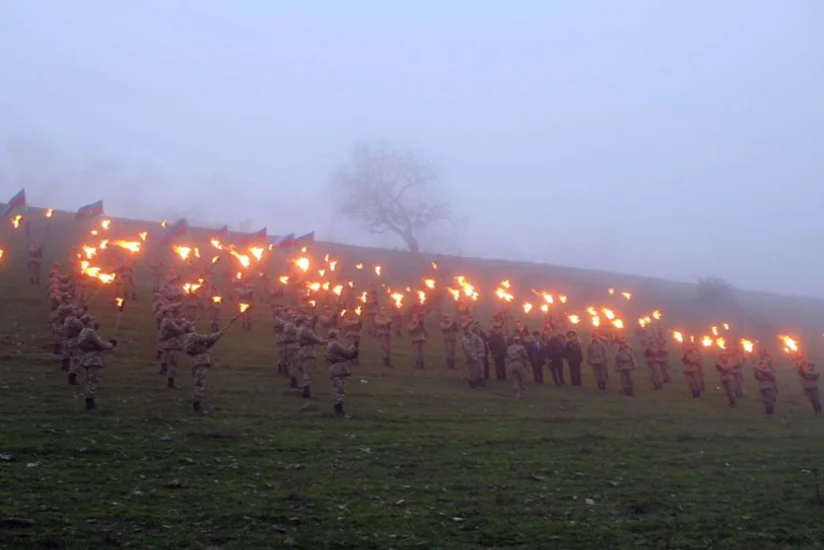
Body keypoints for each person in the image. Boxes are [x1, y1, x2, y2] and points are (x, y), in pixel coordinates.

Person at [184, 325, 226, 416]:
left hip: (197, 361)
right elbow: (208, 337)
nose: (194, 327)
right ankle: (197, 406)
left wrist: (218, 336)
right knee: (199, 384)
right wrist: (218, 333)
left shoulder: (190, 338)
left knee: (199, 383)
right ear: (189, 329)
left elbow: (208, 343)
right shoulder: (193, 336)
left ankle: (197, 403)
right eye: (191, 326)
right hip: (200, 361)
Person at [76, 315, 117, 410]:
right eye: (92, 320)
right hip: (94, 359)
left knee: (87, 381)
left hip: (86, 359)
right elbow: (100, 344)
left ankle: (88, 399)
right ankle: (90, 403)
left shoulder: (83, 331)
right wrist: (111, 344)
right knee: (93, 381)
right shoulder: (90, 332)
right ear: (88, 322)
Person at [325, 328, 358, 417]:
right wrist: (353, 346)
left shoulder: (330, 344)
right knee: (340, 389)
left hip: (334, 367)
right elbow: (346, 353)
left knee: (337, 388)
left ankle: (338, 406)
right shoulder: (335, 344)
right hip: (338, 368)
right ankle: (339, 408)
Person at [296, 315, 328, 398]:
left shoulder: (300, 328)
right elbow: (316, 339)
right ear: (304, 321)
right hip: (308, 351)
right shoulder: (306, 330)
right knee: (308, 372)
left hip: (303, 350)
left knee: (305, 372)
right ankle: (306, 391)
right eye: (307, 320)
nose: (309, 321)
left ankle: (305, 389)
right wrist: (327, 341)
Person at [753, 349, 777, 416]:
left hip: (769, 384)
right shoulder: (759, 365)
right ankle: (768, 412)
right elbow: (757, 377)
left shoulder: (768, 366)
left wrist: (758, 369)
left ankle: (771, 411)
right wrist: (755, 371)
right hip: (762, 385)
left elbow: (768, 373)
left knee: (770, 399)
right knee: (765, 400)